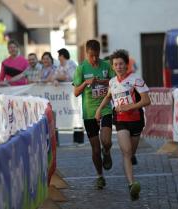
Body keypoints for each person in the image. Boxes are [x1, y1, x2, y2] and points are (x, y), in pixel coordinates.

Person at [95, 49, 150, 200]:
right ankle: (132, 184)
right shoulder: (112, 82)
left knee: (131, 152)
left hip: (136, 120)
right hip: (120, 120)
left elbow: (146, 101)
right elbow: (108, 97)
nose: (118, 67)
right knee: (125, 152)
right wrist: (99, 110)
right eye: (116, 64)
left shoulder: (136, 79)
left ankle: (132, 165)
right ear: (112, 67)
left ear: (126, 65)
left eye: (121, 64)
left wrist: (129, 107)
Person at [73, 39, 115, 190]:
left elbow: (115, 81)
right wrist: (86, 83)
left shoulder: (106, 65)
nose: (94, 59)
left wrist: (104, 82)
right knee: (95, 150)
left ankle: (108, 151)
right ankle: (100, 176)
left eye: (97, 55)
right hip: (89, 112)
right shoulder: (81, 69)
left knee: (107, 141)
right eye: (91, 56)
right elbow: (76, 92)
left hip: (105, 109)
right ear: (86, 53)